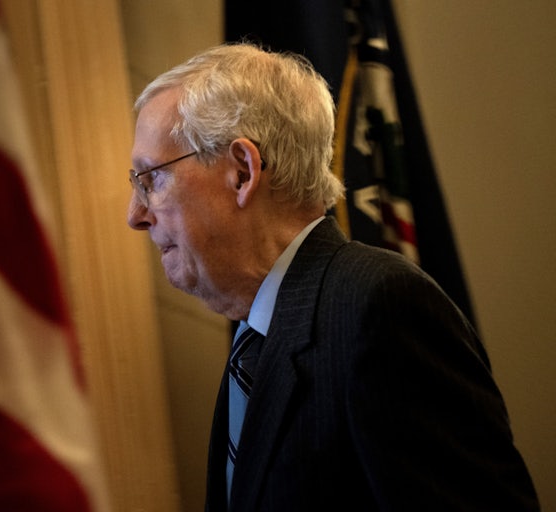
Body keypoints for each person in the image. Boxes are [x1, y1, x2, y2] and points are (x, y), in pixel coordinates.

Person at [126, 43, 539, 511]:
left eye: (151, 180)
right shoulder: (255, 345)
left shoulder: (379, 308)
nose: (135, 215)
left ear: (242, 172)